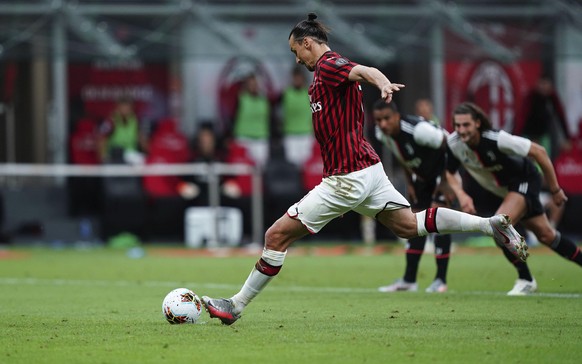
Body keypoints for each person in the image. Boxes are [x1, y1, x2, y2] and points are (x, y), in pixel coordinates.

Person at [200, 13, 527, 325]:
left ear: (308, 43)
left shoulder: (328, 65)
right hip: (366, 170)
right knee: (408, 226)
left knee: (276, 235)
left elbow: (364, 70)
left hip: (347, 178)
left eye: (295, 51)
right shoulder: (322, 76)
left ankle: (235, 305)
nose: (296, 60)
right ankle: (489, 225)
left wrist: (383, 83)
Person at [445, 102, 582, 295]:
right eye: (457, 125)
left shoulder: (496, 139)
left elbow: (539, 152)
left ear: (477, 123)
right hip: (507, 191)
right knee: (546, 236)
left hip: (525, 179)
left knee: (498, 225)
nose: (461, 130)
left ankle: (525, 279)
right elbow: (449, 172)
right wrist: (462, 195)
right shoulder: (454, 144)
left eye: (466, 125)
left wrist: (555, 189)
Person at [373, 100, 452, 293]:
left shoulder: (419, 130)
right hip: (422, 177)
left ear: (397, 116)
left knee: (438, 218)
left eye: (386, 119)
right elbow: (402, 156)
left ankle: (440, 281)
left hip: (445, 173)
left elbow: (450, 145)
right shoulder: (381, 134)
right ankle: (409, 281)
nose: (383, 124)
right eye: (378, 120)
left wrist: (446, 181)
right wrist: (410, 181)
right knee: (414, 222)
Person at [518, 75, 571, 161]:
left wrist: (567, 138)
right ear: (537, 85)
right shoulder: (531, 97)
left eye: (546, 84)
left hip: (544, 135)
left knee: (544, 160)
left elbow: (561, 117)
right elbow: (522, 118)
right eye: (542, 84)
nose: (544, 87)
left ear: (550, 86)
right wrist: (518, 137)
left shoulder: (552, 98)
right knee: (529, 160)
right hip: (529, 135)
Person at [232, 73, 271, 169]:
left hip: (260, 138)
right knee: (242, 169)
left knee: (260, 169)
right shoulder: (240, 98)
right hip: (243, 138)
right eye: (250, 84)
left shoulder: (264, 100)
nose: (253, 86)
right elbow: (232, 117)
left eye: (255, 84)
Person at [279, 65, 315, 167]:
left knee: (306, 165)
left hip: (306, 134)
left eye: (299, 77)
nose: (297, 80)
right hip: (290, 134)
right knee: (292, 165)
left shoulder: (310, 93)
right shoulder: (286, 93)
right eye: (295, 77)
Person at [97, 97, 149, 163]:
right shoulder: (111, 120)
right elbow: (101, 139)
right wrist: (103, 157)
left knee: (144, 161)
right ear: (118, 107)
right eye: (123, 107)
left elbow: (142, 140)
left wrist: (150, 152)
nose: (125, 110)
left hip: (131, 154)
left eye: (128, 108)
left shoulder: (136, 121)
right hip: (115, 153)